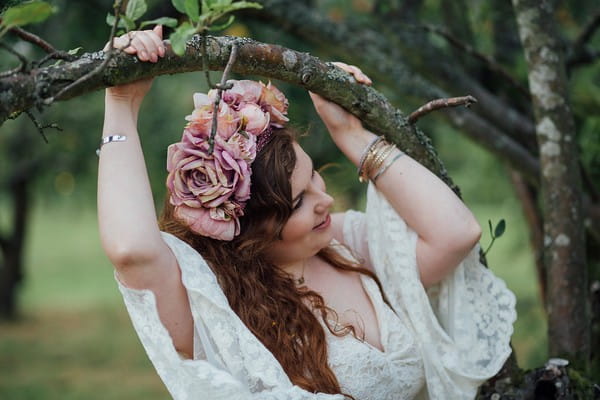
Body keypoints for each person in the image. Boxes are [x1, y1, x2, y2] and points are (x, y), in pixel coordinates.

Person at [98, 26, 516, 400]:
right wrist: (120, 101)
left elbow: (457, 232)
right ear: (245, 229)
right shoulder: (216, 308)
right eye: (299, 201)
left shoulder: (348, 247)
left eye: (316, 178)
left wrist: (350, 133)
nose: (326, 200)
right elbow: (131, 249)